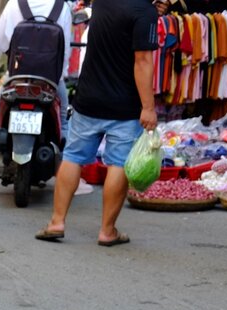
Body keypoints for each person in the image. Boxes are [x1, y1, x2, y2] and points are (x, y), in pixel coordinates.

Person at [36, 0, 157, 246]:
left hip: (89, 98)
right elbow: (142, 60)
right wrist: (148, 107)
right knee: (118, 164)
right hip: (124, 105)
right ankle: (107, 230)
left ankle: (57, 222)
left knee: (73, 158)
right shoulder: (144, 12)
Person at [0, 0, 72, 194]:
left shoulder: (16, 4)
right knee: (63, 120)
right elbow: (65, 49)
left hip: (17, 78)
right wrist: (60, 76)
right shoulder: (63, 8)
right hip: (50, 81)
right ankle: (64, 177)